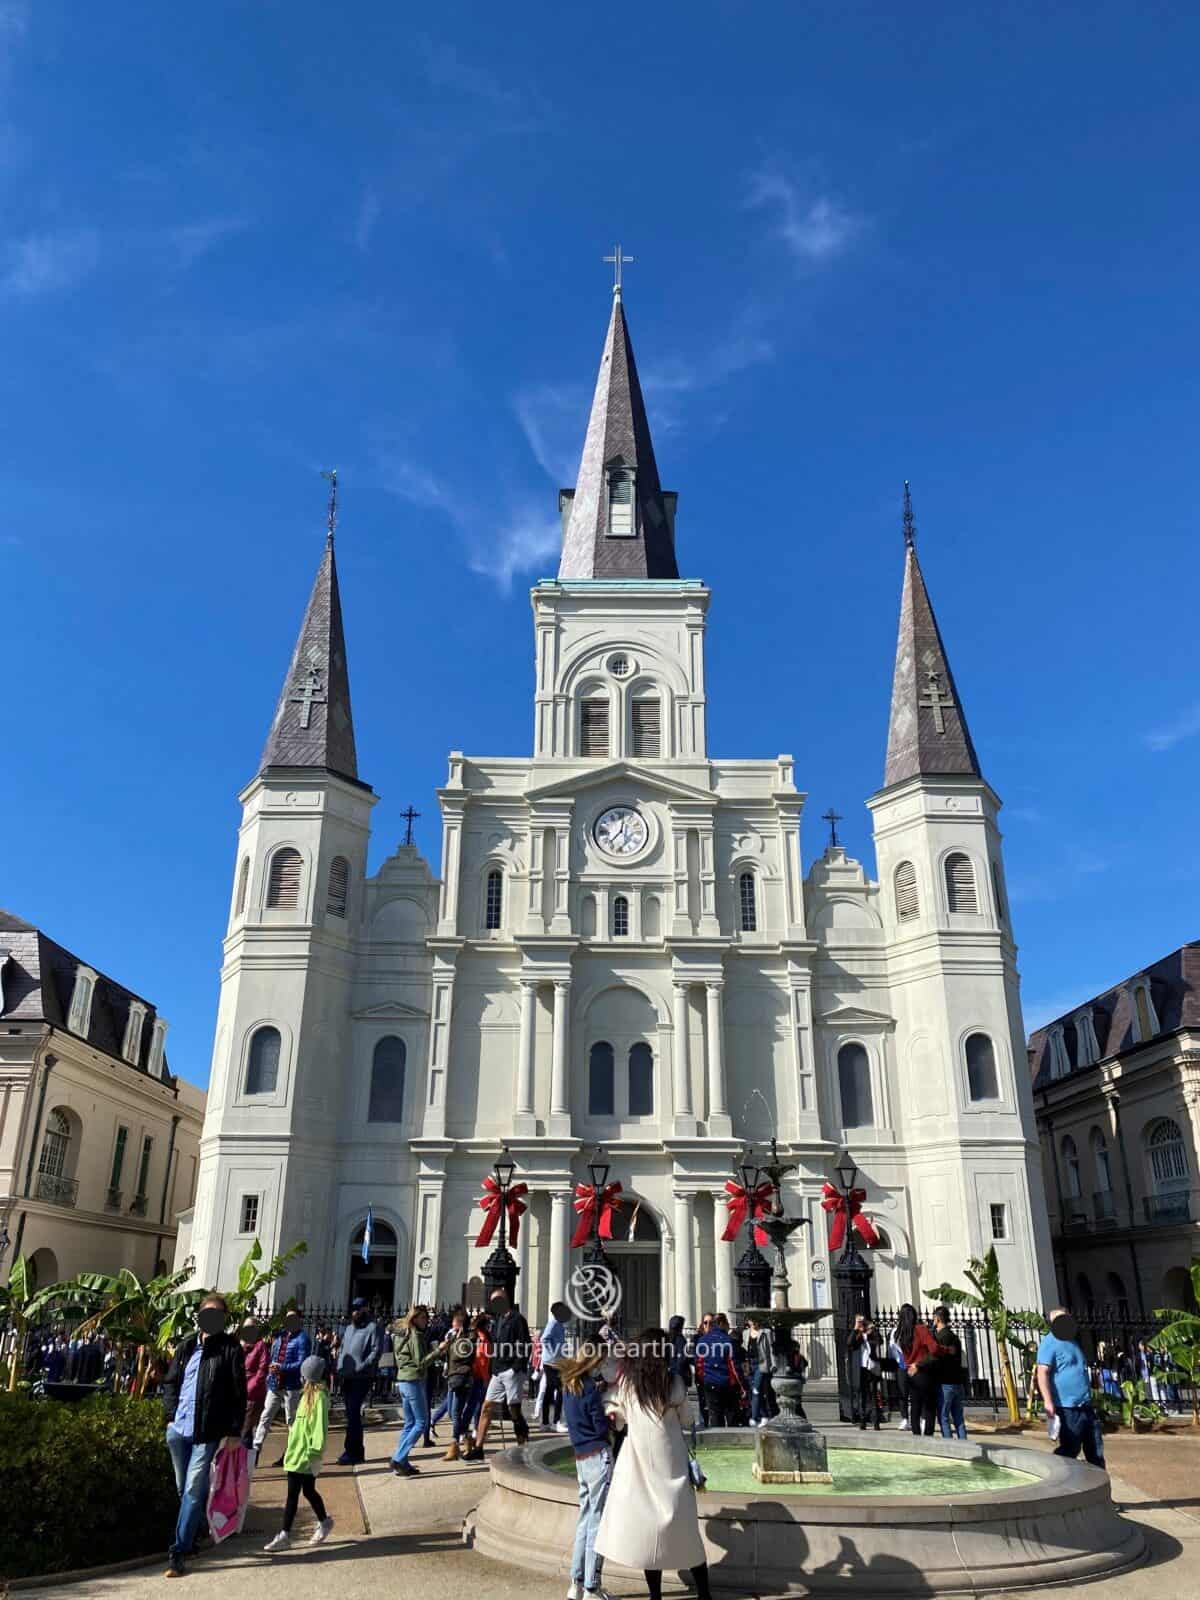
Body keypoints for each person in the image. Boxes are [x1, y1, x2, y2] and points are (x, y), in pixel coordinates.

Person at [594, 1328, 713, 1600]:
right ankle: (704, 1593)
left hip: (639, 1463)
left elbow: (619, 1417)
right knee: (686, 1532)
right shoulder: (674, 1383)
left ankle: (656, 1595)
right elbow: (687, 1420)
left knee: (649, 1532)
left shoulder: (628, 1385)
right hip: (671, 1462)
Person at [161, 1293, 247, 1580]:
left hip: (206, 1431)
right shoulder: (186, 1347)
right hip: (178, 1429)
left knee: (193, 1489)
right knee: (182, 1487)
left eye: (218, 1313)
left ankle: (179, 1551)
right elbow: (171, 1382)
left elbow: (239, 1392)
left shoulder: (230, 1349)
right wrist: (171, 1415)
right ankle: (195, 1532)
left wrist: (235, 1431)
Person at [263, 1354, 335, 1551]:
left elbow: (319, 1427)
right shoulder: (307, 1396)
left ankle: (285, 1534)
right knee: (308, 1491)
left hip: (306, 1454)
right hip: (297, 1452)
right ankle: (324, 1521)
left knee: (293, 1493)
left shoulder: (319, 1397)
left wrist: (315, 1452)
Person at [561, 1341, 615, 1600]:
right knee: (597, 1522)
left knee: (584, 1520)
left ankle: (576, 1583)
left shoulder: (570, 1386)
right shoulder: (592, 1390)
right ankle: (593, 1586)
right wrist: (609, 1420)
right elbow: (601, 1427)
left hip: (581, 1456)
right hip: (598, 1455)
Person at [464, 1290, 532, 1460]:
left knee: (514, 1410)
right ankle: (478, 1448)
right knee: (487, 1407)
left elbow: (525, 1344)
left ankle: (522, 1447)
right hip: (498, 1370)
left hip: (511, 1371)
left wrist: (516, 1368)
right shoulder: (498, 1320)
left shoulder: (517, 1319)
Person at [1036, 1309, 1105, 1470]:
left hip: (1085, 1405)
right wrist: (1048, 1401)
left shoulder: (1072, 1341)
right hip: (1067, 1407)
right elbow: (1042, 1372)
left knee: (1095, 1450)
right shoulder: (1049, 1343)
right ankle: (1054, 1474)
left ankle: (1099, 1489)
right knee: (1070, 1448)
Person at [390, 1306, 449, 1476]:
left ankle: (403, 1463)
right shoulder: (414, 1335)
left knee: (409, 1423)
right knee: (421, 1422)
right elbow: (421, 1362)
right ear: (415, 1318)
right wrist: (439, 1350)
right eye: (423, 1318)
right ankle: (399, 1457)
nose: (426, 1321)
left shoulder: (401, 1333)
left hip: (402, 1379)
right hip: (413, 1380)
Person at [252, 1310, 312, 1458]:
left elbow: (302, 1362)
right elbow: (273, 1355)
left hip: (291, 1385)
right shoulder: (280, 1336)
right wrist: (271, 1370)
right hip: (275, 1383)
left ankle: (292, 1453)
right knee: (265, 1416)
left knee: (291, 1420)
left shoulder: (303, 1339)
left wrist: (282, 1368)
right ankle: (255, 1449)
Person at [336, 1296, 384, 1465]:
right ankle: (356, 1450)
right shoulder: (348, 1329)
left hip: (362, 1377)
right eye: (353, 1309)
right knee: (350, 1414)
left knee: (354, 1413)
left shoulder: (373, 1328)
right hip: (346, 1376)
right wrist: (339, 1364)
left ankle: (352, 1451)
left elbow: (376, 1351)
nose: (355, 1312)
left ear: (365, 1309)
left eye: (358, 1309)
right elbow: (343, 1348)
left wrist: (362, 1366)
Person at [438, 1308, 477, 1462]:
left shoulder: (467, 1339)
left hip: (462, 1377)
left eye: (455, 1321)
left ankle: (455, 1445)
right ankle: (467, 1440)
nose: (452, 1323)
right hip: (453, 1376)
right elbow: (446, 1357)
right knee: (452, 1412)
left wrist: (453, 1342)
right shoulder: (453, 1336)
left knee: (455, 1411)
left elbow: (462, 1356)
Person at [896, 1304, 939, 1437]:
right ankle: (928, 1435)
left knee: (915, 1406)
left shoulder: (900, 1334)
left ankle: (916, 1435)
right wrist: (920, 1363)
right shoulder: (920, 1329)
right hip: (923, 1371)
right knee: (929, 1407)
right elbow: (934, 1349)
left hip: (910, 1372)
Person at [694, 1312, 740, 1427]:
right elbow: (734, 1365)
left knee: (715, 1415)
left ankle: (716, 1439)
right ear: (721, 1324)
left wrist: (704, 1378)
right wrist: (740, 1384)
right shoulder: (728, 1341)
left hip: (710, 1382)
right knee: (731, 1416)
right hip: (727, 1383)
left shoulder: (703, 1341)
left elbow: (699, 1364)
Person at [932, 1306, 968, 1440]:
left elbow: (935, 1357)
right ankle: (964, 1444)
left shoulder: (940, 1337)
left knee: (943, 1417)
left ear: (938, 1318)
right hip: (957, 1382)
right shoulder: (954, 1337)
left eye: (934, 1317)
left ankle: (949, 1445)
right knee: (958, 1418)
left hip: (944, 1383)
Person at [846, 1313, 884, 1430]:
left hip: (871, 1368)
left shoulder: (872, 1333)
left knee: (873, 1394)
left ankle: (876, 1420)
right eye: (859, 1321)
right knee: (862, 1394)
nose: (862, 1324)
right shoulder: (856, 1334)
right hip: (861, 1368)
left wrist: (871, 1331)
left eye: (862, 1322)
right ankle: (862, 1420)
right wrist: (856, 1329)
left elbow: (880, 1341)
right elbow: (849, 1343)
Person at [540, 1300, 572, 1430]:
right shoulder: (553, 1323)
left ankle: (546, 1422)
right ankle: (555, 1421)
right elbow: (544, 1339)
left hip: (554, 1362)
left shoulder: (558, 1323)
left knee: (550, 1391)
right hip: (553, 1362)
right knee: (559, 1390)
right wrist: (555, 1353)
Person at [239, 1318, 270, 1448]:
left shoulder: (260, 1346)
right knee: (241, 1430)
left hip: (253, 1394)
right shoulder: (240, 1344)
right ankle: (246, 1461)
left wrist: (250, 1388)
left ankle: (245, 1462)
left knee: (245, 1431)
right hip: (239, 1392)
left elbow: (262, 1370)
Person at [745, 1315, 776, 1427]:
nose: (753, 1322)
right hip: (750, 1363)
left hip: (761, 1364)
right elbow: (745, 1348)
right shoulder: (746, 1333)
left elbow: (771, 1350)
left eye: (755, 1320)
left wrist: (773, 1364)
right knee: (755, 1391)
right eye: (751, 1320)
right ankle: (764, 1415)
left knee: (756, 1390)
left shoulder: (766, 1332)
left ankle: (753, 1418)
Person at [888, 1328, 910, 1430]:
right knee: (902, 1393)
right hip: (901, 1365)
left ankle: (922, 1418)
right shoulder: (894, 1331)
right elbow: (892, 1347)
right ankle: (905, 1418)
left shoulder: (915, 1329)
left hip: (914, 1364)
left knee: (917, 1393)